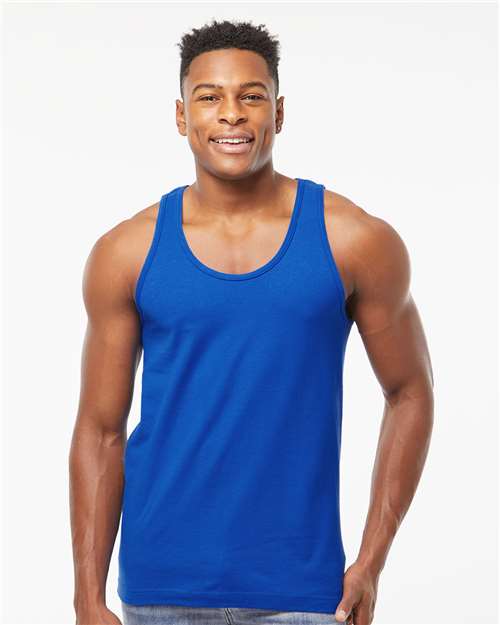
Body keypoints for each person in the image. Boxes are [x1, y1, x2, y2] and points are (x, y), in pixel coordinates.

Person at [69, 19, 434, 625]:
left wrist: (371, 561)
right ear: (182, 116)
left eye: (251, 95)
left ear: (279, 112)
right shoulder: (126, 252)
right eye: (209, 96)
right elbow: (99, 430)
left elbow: (411, 391)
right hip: (162, 591)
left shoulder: (354, 240)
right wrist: (87, 597)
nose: (231, 113)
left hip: (305, 595)